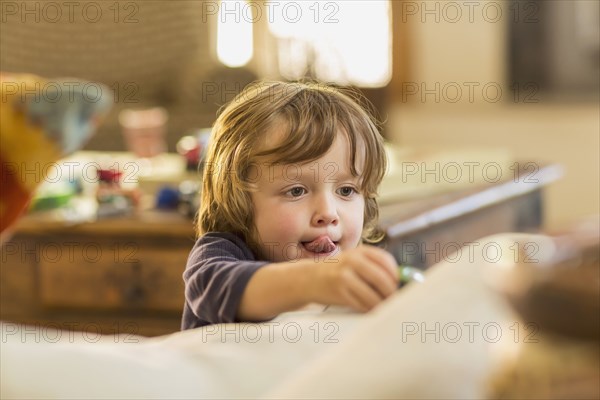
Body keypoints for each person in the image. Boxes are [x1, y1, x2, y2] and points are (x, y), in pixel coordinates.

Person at [182, 81, 399, 330]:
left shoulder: (349, 273)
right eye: (296, 191)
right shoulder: (220, 253)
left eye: (346, 190)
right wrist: (314, 281)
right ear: (239, 199)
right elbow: (212, 287)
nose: (328, 213)